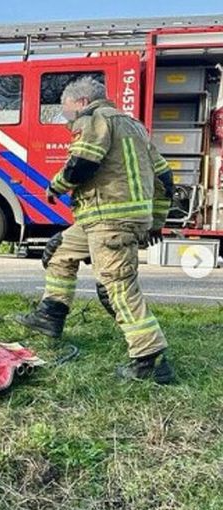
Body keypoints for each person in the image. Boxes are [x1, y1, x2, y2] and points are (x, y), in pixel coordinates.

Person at [15, 77, 174, 383]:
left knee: (117, 287)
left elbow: (83, 162)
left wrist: (55, 186)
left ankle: (150, 360)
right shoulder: (135, 127)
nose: (67, 118)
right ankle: (51, 314)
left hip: (108, 220)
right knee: (59, 252)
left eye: (68, 110)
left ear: (83, 102)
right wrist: (155, 221)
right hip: (100, 219)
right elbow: (165, 178)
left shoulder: (96, 119)